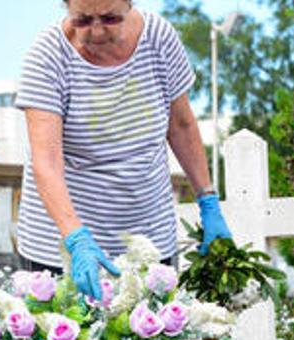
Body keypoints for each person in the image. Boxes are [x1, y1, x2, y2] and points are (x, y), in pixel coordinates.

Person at [15, 0, 232, 300]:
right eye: (82, 20)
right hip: (62, 246)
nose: (97, 31)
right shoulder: (48, 56)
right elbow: (47, 162)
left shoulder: (158, 38)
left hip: (149, 241)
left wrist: (208, 201)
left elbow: (180, 125)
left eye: (110, 18)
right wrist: (75, 238)